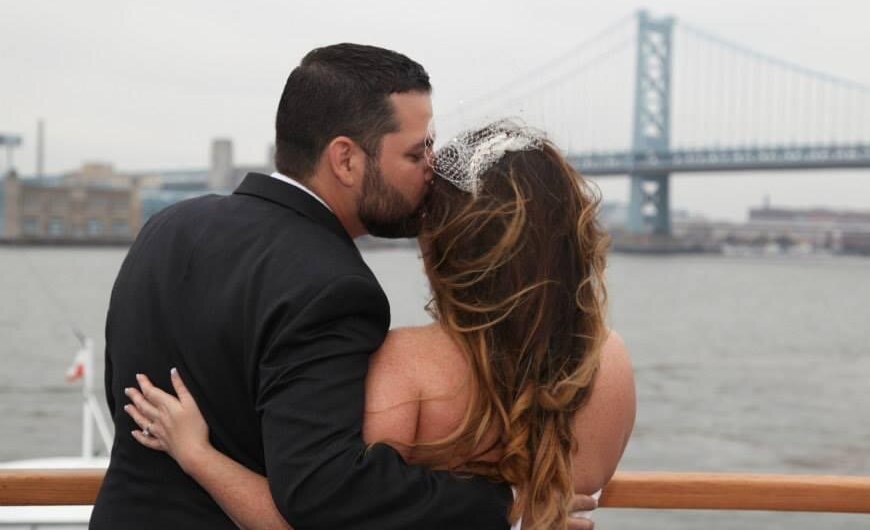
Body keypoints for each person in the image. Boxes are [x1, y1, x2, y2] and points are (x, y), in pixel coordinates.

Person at [92, 45, 551, 529]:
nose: (433, 169)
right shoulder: (334, 286)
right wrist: (506, 500)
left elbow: (124, 399)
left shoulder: (168, 227)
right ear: (345, 159)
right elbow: (325, 486)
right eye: (416, 153)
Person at [124, 120, 637, 530]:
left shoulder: (407, 367)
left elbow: (311, 519)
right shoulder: (606, 360)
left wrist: (197, 454)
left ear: (443, 243)